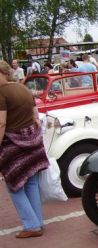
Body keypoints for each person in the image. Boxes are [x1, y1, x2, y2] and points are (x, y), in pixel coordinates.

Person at [0, 60, 49, 238]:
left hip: (13, 146)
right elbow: (36, 117)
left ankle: (32, 225)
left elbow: (1, 122)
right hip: (33, 141)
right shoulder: (23, 88)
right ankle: (38, 223)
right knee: (31, 183)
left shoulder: (1, 93)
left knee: (14, 186)